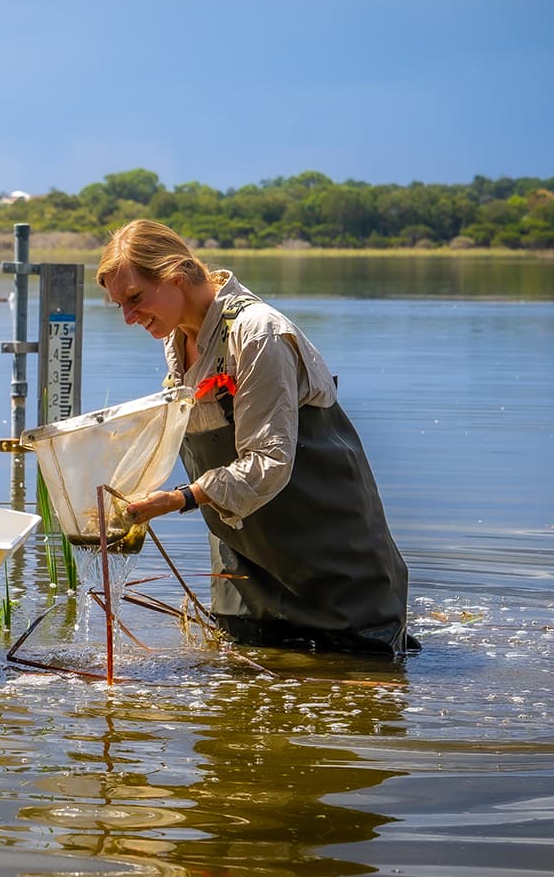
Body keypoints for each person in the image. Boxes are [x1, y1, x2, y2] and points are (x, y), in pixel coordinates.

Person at [98, 219, 413, 654]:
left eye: (135, 299)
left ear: (175, 276)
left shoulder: (257, 332)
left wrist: (177, 499)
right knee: (237, 706)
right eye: (120, 306)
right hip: (244, 572)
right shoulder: (175, 337)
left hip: (333, 566)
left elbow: (269, 460)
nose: (130, 318)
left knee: (353, 688)